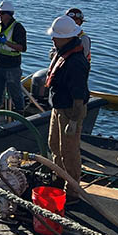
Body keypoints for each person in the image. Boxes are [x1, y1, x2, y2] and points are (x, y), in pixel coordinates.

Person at [44, 14, 91, 202]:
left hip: (71, 109)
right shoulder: (62, 53)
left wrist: (74, 120)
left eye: (56, 36)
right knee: (54, 144)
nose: (53, 39)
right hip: (59, 106)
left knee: (69, 151)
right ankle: (58, 177)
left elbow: (79, 94)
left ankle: (72, 189)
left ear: (66, 37)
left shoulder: (76, 61)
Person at [0, 0, 26, 112]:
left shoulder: (18, 28)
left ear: (9, 15)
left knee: (15, 92)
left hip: (12, 66)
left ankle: (20, 114)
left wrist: (6, 42)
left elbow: (22, 48)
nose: (0, 16)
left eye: (2, 13)